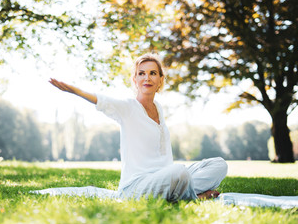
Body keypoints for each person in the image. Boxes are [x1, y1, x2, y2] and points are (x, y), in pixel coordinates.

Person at [49, 53, 227, 202]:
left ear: (160, 79)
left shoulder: (159, 108)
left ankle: (183, 191)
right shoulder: (128, 108)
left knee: (219, 165)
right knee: (179, 172)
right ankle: (196, 198)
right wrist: (75, 91)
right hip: (136, 187)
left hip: (165, 177)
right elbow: (101, 100)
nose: (147, 77)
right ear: (135, 80)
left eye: (152, 73)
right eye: (141, 73)